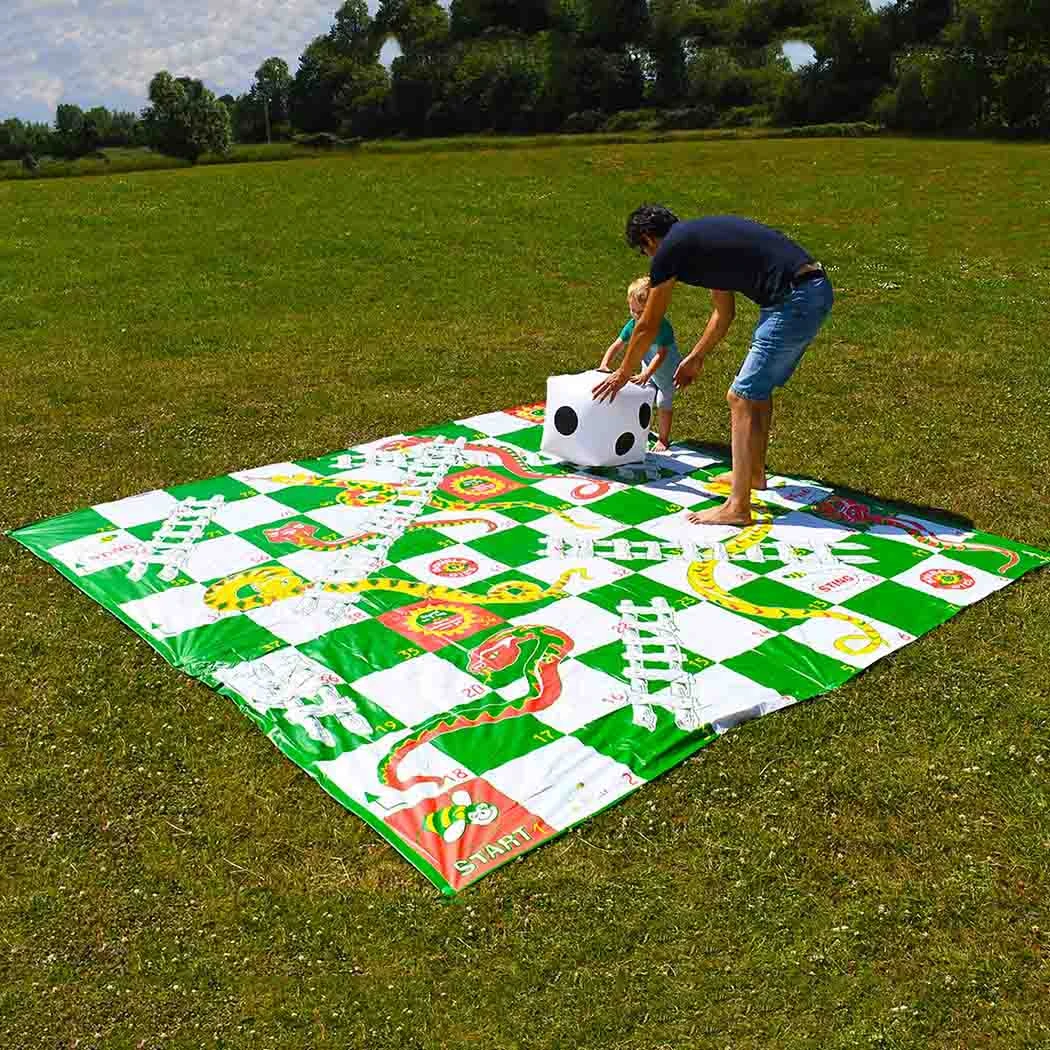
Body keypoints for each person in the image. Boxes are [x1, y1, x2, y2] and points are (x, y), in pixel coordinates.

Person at [593, 205, 834, 525]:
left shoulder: (672, 250)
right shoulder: (701, 243)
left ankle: (737, 507)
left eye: (644, 250)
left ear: (650, 239)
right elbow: (724, 312)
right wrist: (696, 356)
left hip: (792, 300)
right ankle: (754, 475)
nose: (650, 259)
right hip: (809, 291)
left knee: (741, 397)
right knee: (757, 393)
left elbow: (648, 323)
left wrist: (624, 373)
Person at [599, 276, 681, 451]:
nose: (636, 316)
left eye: (641, 312)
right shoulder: (633, 324)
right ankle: (641, 430)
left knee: (662, 403)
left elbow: (661, 355)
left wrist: (646, 374)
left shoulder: (661, 327)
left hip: (668, 373)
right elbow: (617, 345)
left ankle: (664, 439)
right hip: (649, 369)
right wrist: (604, 364)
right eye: (632, 310)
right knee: (641, 397)